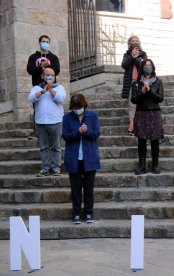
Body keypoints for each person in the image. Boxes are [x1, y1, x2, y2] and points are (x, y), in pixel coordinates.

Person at [62, 94, 101, 224]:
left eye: (79, 107)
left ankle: (89, 212)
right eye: (75, 107)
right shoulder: (67, 118)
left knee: (89, 188)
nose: (77, 109)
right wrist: (78, 132)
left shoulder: (92, 116)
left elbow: (96, 134)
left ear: (84, 105)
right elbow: (65, 136)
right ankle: (76, 213)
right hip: (74, 158)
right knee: (76, 189)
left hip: (89, 158)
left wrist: (86, 131)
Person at [28, 68, 66, 176]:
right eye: (47, 74)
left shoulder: (59, 87)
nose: (50, 76)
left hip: (56, 121)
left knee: (56, 147)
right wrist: (42, 91)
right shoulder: (36, 88)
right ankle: (45, 168)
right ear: (42, 76)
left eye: (52, 75)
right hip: (40, 122)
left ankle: (55, 168)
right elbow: (31, 98)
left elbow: (61, 99)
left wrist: (51, 90)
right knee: (43, 147)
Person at [131, 59, 164, 175]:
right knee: (141, 140)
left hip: (154, 113)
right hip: (141, 113)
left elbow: (160, 98)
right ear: (142, 67)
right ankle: (142, 166)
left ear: (153, 68)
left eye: (150, 65)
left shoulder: (158, 82)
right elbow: (133, 100)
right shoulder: (136, 83)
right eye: (146, 65)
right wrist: (142, 92)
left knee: (155, 140)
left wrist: (149, 91)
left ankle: (155, 165)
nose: (148, 67)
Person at [27, 34, 61, 139]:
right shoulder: (33, 57)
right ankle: (37, 131)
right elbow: (30, 70)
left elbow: (57, 70)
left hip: (51, 86)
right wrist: (41, 66)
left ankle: (53, 131)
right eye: (43, 41)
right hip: (38, 86)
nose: (45, 44)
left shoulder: (53, 57)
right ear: (39, 43)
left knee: (52, 106)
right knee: (37, 108)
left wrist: (48, 66)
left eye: (47, 42)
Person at [121, 35, 147, 135]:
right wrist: (131, 57)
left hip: (141, 82)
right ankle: (131, 123)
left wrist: (136, 58)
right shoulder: (127, 54)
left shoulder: (143, 54)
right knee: (132, 104)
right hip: (131, 82)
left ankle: (140, 124)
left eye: (137, 41)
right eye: (133, 41)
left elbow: (144, 66)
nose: (135, 42)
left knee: (141, 103)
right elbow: (124, 65)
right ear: (130, 43)